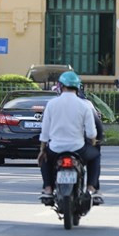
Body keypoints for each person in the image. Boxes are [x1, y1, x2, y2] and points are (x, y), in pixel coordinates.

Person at [38, 71, 102, 204]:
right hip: (78, 149)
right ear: (78, 87)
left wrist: (42, 150)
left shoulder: (52, 104)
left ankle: (48, 189)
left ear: (61, 86)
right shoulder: (84, 105)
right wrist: (94, 142)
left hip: (56, 149)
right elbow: (91, 133)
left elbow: (45, 133)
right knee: (95, 156)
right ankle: (91, 188)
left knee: (44, 159)